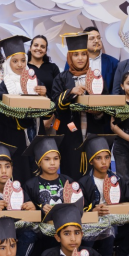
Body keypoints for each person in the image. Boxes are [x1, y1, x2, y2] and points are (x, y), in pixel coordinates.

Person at [51, 33, 108, 181]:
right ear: (70, 57)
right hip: (70, 135)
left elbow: (106, 104)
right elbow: (55, 105)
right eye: (76, 55)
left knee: (94, 174)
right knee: (71, 171)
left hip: (93, 132)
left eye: (83, 54)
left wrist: (97, 112)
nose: (80, 58)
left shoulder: (96, 78)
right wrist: (71, 92)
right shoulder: (61, 78)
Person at [75, 134, 125, 256]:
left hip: (113, 219)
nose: (104, 162)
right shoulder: (84, 183)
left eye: (107, 157)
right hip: (92, 221)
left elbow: (127, 199)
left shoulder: (117, 180)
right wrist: (92, 210)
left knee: (114, 225)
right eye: (98, 158)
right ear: (91, 161)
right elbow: (78, 208)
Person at [0, 35, 34, 184]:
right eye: (15, 61)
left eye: (23, 60)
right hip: (9, 134)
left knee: (28, 170)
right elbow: (0, 107)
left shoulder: (33, 82)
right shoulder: (4, 85)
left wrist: (41, 93)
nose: (20, 65)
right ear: (8, 63)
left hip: (29, 134)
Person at [64, 26, 118, 94]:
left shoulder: (113, 62)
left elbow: (116, 89)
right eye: (92, 38)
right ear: (84, 42)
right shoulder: (74, 62)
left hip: (106, 100)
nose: (96, 41)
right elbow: (66, 84)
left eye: (98, 38)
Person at [27, 35, 60, 137]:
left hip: (51, 115)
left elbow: (59, 93)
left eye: (42, 46)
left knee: (51, 144)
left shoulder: (53, 68)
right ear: (30, 48)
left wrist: (51, 117)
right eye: (36, 45)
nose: (39, 48)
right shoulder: (24, 68)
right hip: (29, 115)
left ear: (45, 50)